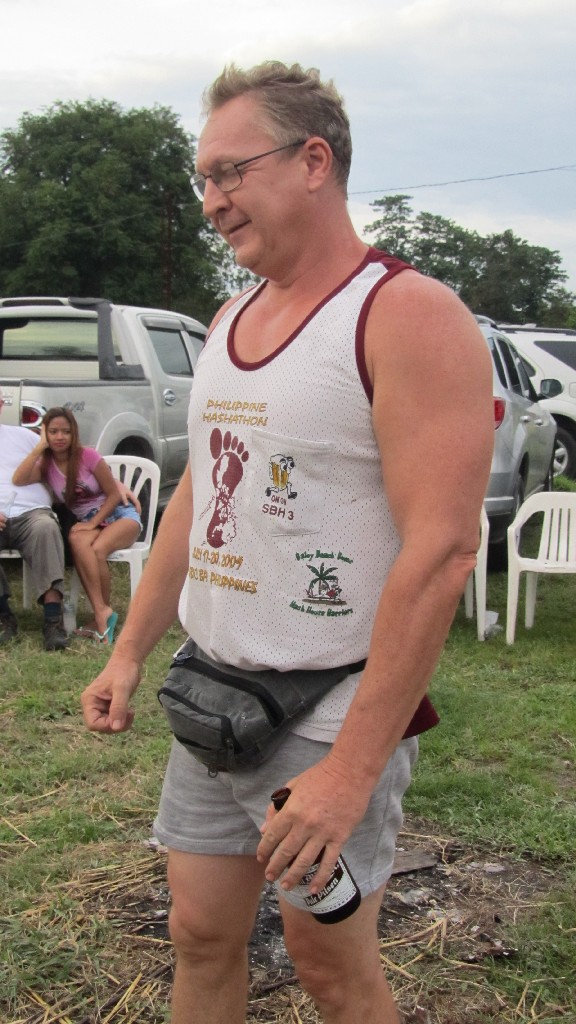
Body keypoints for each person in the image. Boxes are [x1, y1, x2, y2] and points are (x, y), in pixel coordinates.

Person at [80, 61, 494, 1023]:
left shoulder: (405, 315)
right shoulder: (231, 319)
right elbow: (194, 502)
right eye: (203, 179)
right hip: (213, 693)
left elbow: (442, 551)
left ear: (314, 161)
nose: (211, 201)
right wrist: (130, 651)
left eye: (231, 172)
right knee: (199, 933)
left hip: (323, 717)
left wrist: (351, 770)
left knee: (330, 969)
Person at [13, 407, 142, 644]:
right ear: (45, 434)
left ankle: (102, 615)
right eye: (53, 432)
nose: (60, 437)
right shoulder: (47, 465)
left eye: (66, 431)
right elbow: (18, 479)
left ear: (74, 433)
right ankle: (102, 612)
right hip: (92, 521)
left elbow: (114, 494)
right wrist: (39, 448)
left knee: (98, 549)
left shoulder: (88, 456)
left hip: (119, 515)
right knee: (75, 539)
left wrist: (92, 522)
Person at [0, 389, 69, 650]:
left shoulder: (24, 437)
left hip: (32, 513)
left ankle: (53, 620)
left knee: (46, 528)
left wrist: (115, 485)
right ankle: (3, 616)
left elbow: (73, 460)